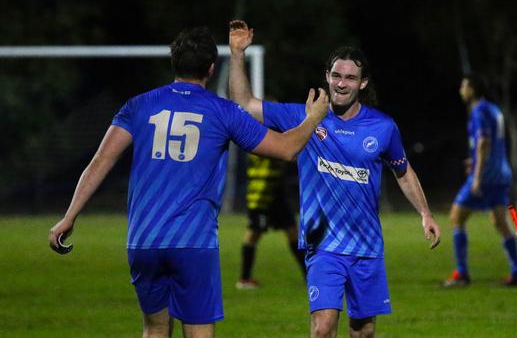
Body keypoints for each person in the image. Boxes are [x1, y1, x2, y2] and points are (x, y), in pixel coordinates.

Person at [48, 26, 329, 338]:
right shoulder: (223, 112)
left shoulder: (139, 105)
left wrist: (69, 216)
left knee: (154, 329)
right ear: (211, 68)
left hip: (144, 240)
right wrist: (313, 118)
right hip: (192, 241)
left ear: (173, 60)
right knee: (198, 333)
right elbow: (287, 149)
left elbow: (101, 161)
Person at [228, 20, 441, 338]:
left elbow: (403, 170)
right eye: (336, 76)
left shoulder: (383, 127)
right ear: (327, 77)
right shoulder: (305, 115)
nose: (342, 84)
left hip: (366, 246)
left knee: (363, 331)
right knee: (323, 328)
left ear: (363, 83)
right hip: (323, 245)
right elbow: (244, 103)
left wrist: (425, 213)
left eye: (350, 78)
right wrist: (236, 54)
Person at [443, 73, 517, 287]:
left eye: (464, 85)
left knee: (456, 217)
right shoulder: (494, 109)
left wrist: (477, 175)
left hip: (486, 175)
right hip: (501, 173)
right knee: (500, 221)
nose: (461, 89)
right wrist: (476, 160)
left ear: (472, 89)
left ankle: (461, 274)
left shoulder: (478, 110)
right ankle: (516, 272)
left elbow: (484, 142)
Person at [236, 153, 306, 289]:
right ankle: (244, 279)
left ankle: (309, 275)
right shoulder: (261, 138)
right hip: (260, 194)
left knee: (292, 232)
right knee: (253, 233)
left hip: (275, 193)